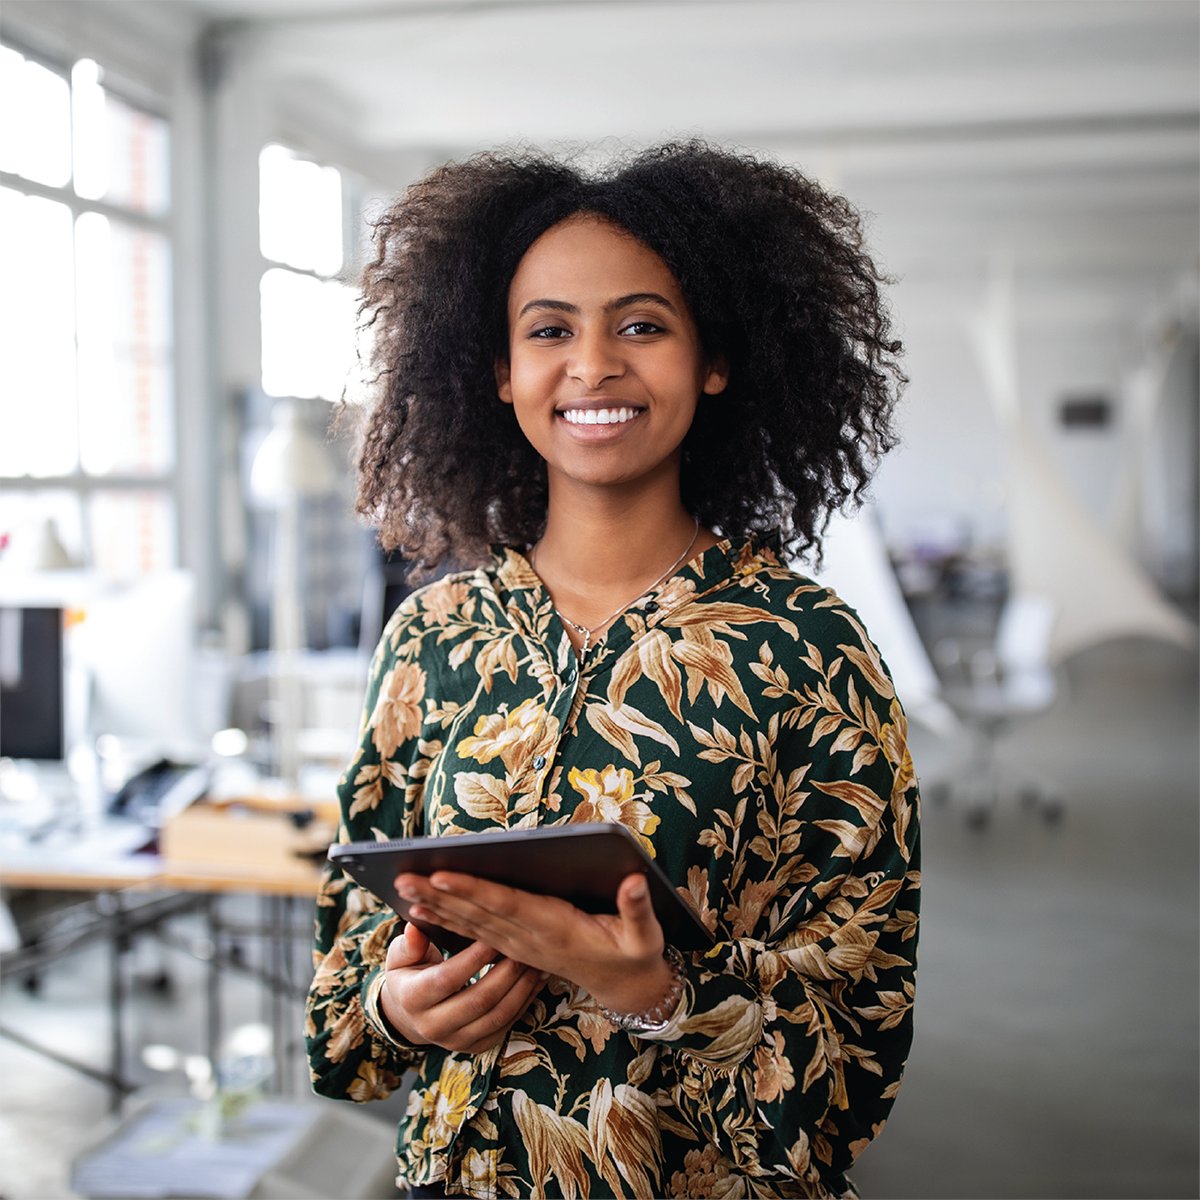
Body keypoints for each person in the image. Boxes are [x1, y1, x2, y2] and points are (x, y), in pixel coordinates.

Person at [305, 141, 919, 1200]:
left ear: (713, 359)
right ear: (499, 371)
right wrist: (394, 1009)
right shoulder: (432, 638)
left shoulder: (811, 650)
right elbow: (339, 1012)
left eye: (642, 324)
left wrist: (659, 991)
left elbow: (854, 1065)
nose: (592, 365)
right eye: (549, 330)